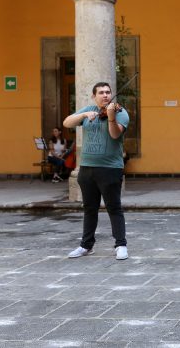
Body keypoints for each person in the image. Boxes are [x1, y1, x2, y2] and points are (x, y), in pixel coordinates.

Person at [63, 82, 130, 260]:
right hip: (87, 168)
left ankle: (121, 244)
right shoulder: (89, 109)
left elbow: (115, 134)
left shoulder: (120, 112)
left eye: (108, 92)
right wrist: (84, 114)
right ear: (94, 96)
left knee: (114, 207)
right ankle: (86, 245)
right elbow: (67, 122)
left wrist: (110, 117)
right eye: (101, 92)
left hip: (110, 168)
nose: (106, 95)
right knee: (89, 208)